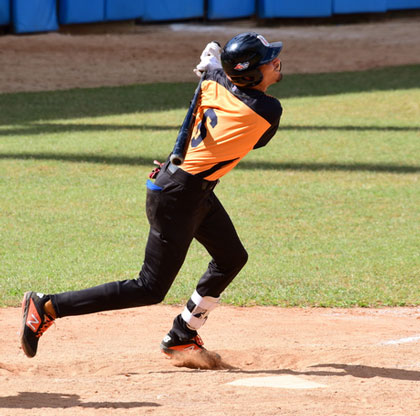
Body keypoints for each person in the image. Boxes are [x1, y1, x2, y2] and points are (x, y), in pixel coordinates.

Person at [20, 32, 284, 359]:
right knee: (149, 287)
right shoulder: (266, 110)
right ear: (250, 73)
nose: (276, 62)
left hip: (190, 190)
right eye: (268, 61)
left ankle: (182, 333)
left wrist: (214, 67)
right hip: (178, 197)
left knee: (231, 258)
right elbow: (246, 116)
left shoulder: (215, 82)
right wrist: (214, 65)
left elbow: (218, 75)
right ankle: (47, 306)